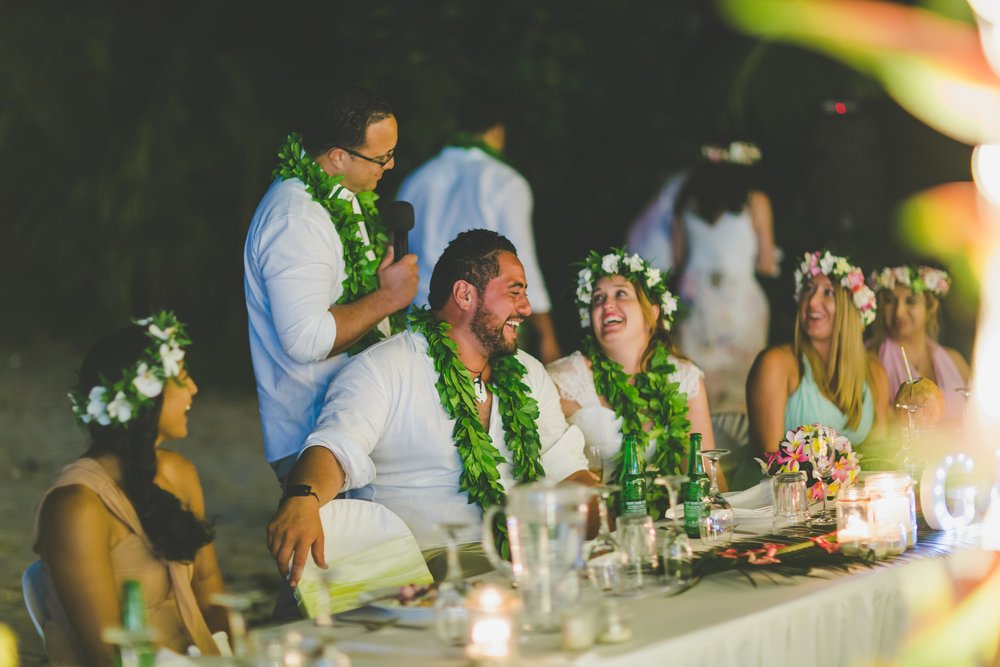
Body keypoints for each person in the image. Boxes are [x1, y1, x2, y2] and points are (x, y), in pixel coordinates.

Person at [266, 230, 591, 587]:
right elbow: (335, 447)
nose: (526, 308)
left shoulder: (528, 372)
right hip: (418, 570)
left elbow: (567, 472)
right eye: (515, 292)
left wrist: (611, 519)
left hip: (518, 561)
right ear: (465, 294)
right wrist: (303, 497)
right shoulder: (385, 367)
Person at [244, 87, 419, 483]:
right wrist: (387, 298)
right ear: (338, 156)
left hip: (350, 421)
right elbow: (307, 339)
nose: (390, 166)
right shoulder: (296, 220)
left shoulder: (341, 194)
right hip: (314, 440)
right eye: (381, 157)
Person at [32, 312, 228, 664]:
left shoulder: (180, 474)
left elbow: (211, 592)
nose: (194, 388)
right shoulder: (77, 506)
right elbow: (108, 654)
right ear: (146, 396)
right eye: (181, 377)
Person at [396, 95, 561, 363]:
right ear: (497, 131)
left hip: (418, 325)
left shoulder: (418, 178)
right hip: (480, 329)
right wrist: (547, 336)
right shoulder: (505, 182)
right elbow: (524, 262)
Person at [547, 249, 718, 504]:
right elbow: (548, 475)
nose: (606, 304)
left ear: (653, 312)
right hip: (599, 528)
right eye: (597, 298)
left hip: (669, 525)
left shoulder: (684, 378)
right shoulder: (564, 380)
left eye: (621, 294)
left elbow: (705, 472)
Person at [671, 142, 779, 414]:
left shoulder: (686, 203)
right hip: (739, 306)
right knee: (742, 391)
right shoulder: (756, 202)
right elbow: (766, 264)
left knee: (696, 391)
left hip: (696, 305)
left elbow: (677, 259)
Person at [747, 251, 890, 455]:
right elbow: (769, 460)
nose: (812, 302)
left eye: (829, 292)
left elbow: (878, 455)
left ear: (853, 308)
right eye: (808, 289)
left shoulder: (874, 371)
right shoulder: (775, 364)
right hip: (782, 486)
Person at [868, 265, 971, 422]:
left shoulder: (954, 360)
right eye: (890, 301)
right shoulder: (871, 361)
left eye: (911, 301)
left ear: (930, 307)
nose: (899, 312)